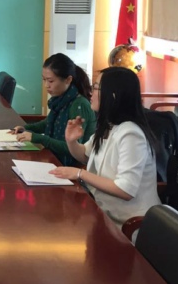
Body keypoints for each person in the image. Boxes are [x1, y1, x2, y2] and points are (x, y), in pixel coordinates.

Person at [50, 66, 161, 228]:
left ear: (113, 95)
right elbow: (85, 155)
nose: (91, 93)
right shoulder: (109, 125)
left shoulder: (131, 134)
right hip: (105, 212)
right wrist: (71, 141)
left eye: (95, 88)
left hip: (131, 224)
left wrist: (80, 174)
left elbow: (126, 190)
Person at [10, 53, 96, 166]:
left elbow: (73, 148)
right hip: (55, 158)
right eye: (44, 79)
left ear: (68, 80)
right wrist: (25, 128)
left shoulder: (79, 105)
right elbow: (47, 123)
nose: (46, 85)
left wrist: (39, 138)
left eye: (50, 81)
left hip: (73, 166)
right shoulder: (61, 99)